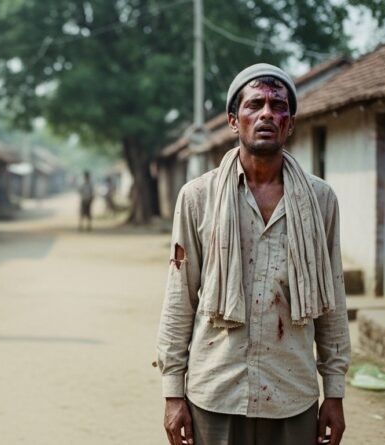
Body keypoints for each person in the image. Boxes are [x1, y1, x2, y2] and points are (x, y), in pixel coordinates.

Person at [156, 64, 350, 445]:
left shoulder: (320, 200)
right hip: (215, 391)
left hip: (292, 393)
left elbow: (334, 300)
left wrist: (335, 391)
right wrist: (172, 392)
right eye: (254, 104)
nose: (266, 113)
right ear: (233, 120)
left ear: (290, 124)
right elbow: (180, 297)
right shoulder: (198, 197)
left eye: (278, 106)